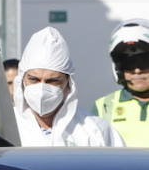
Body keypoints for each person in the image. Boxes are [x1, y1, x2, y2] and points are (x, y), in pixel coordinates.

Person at [13, 27, 122, 147]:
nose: (42, 89)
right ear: (22, 80)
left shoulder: (96, 130)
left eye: (52, 81)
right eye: (34, 79)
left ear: (69, 85)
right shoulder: (2, 128)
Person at [95, 18, 149, 146]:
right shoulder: (103, 107)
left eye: (144, 62)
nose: (137, 70)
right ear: (119, 69)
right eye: (129, 64)